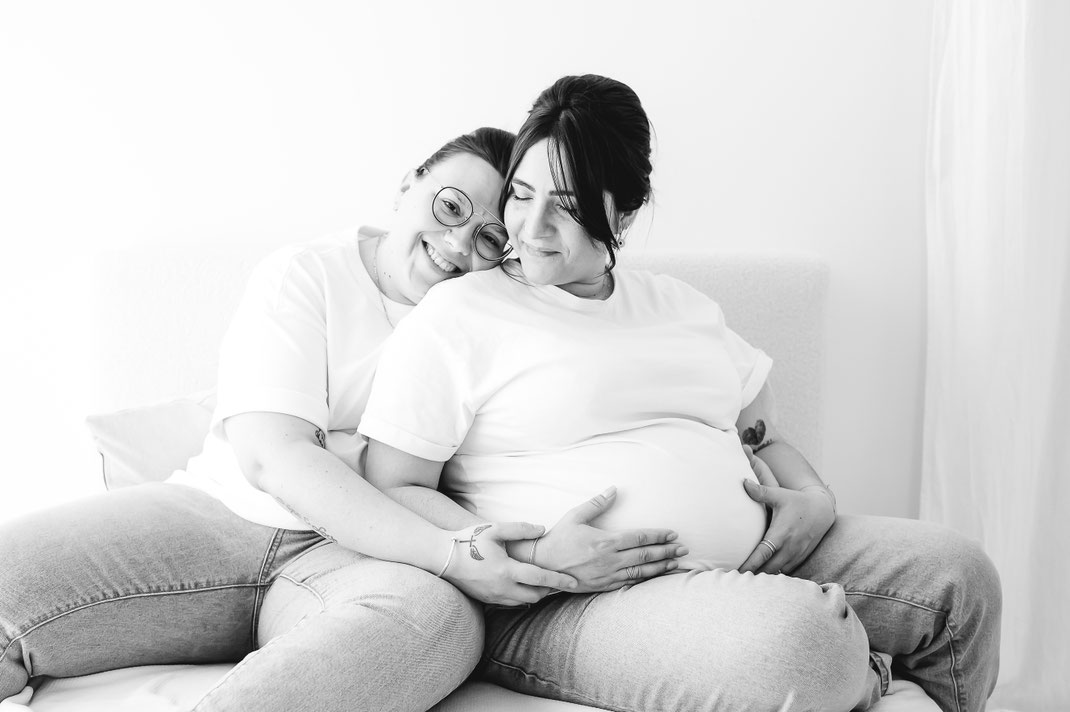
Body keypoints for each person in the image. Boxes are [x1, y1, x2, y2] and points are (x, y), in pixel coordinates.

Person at [359, 75, 1003, 712]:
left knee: (959, 578)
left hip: (760, 561)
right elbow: (395, 486)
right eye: (521, 196)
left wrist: (812, 495)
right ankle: (860, 672)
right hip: (566, 598)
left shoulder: (680, 305)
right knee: (803, 645)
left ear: (626, 212)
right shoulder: (461, 312)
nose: (531, 227)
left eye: (569, 204)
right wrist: (533, 554)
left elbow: (762, 432)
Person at [0, 127, 686, 712]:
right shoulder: (308, 273)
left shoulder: (500, 316)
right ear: (406, 186)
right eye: (449, 206)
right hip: (222, 518)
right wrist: (449, 556)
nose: (456, 242)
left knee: (435, 625)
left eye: (489, 236)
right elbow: (272, 455)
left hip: (369, 559)